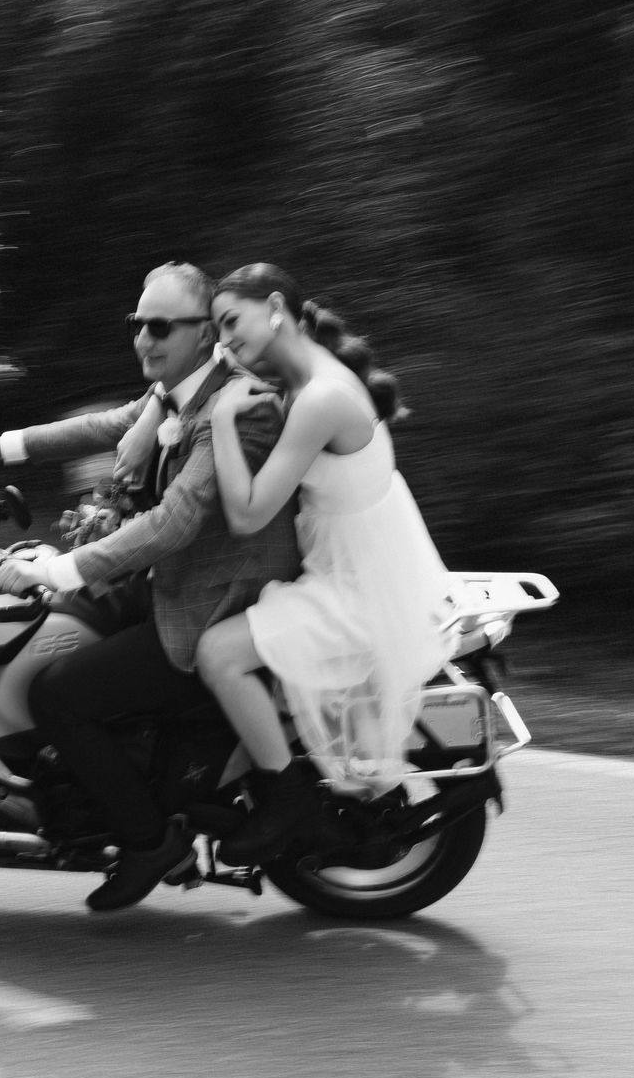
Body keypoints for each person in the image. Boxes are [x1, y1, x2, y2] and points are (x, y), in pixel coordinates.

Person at [0, 261, 301, 911]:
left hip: (213, 606)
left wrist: (62, 566)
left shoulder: (236, 407)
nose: (143, 339)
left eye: (159, 326)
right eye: (136, 324)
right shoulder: (177, 392)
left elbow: (176, 519)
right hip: (163, 584)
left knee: (57, 693)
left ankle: (150, 842)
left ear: (206, 333)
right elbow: (105, 427)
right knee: (44, 624)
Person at [193, 263, 455, 864]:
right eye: (216, 329)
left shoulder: (320, 398)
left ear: (277, 307)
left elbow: (249, 514)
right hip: (344, 569)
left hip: (358, 590)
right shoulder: (297, 377)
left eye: (231, 322)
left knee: (218, 654)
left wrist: (223, 421)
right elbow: (193, 376)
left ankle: (287, 802)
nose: (224, 340)